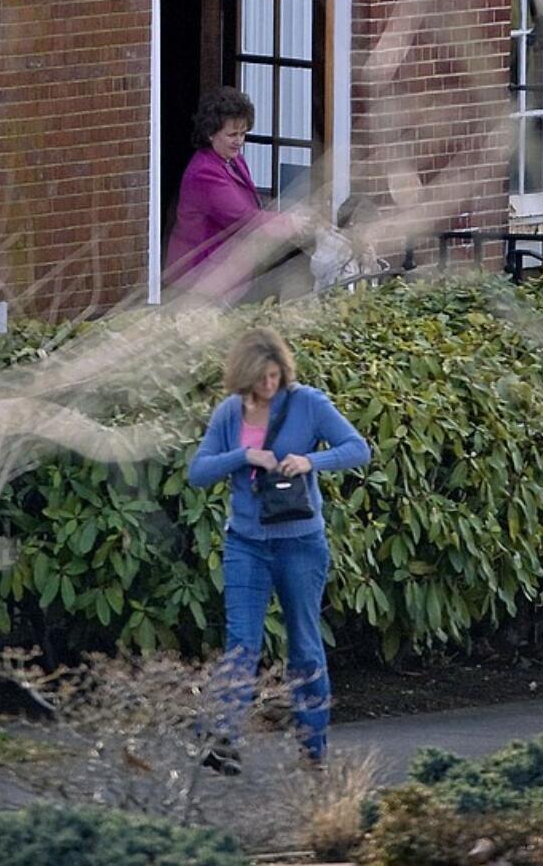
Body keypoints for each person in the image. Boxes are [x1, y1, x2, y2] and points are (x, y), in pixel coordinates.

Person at [186, 326, 370, 769]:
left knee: (305, 644)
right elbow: (198, 471)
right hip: (245, 543)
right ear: (244, 375)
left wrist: (311, 461)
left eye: (275, 376)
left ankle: (313, 748)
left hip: (300, 543)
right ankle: (224, 740)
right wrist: (243, 457)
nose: (269, 386)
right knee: (241, 642)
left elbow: (357, 449)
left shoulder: (307, 403)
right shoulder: (230, 413)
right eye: (261, 378)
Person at [164, 86, 262, 294]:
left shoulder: (234, 161)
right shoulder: (204, 173)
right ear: (210, 134)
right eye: (232, 135)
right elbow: (244, 218)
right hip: (200, 278)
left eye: (243, 134)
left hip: (226, 273)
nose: (239, 141)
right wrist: (292, 221)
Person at [310, 193, 382, 292]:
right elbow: (335, 289)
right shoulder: (334, 250)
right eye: (374, 230)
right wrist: (352, 255)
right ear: (357, 228)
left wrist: (368, 263)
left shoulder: (365, 248)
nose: (377, 235)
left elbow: (373, 285)